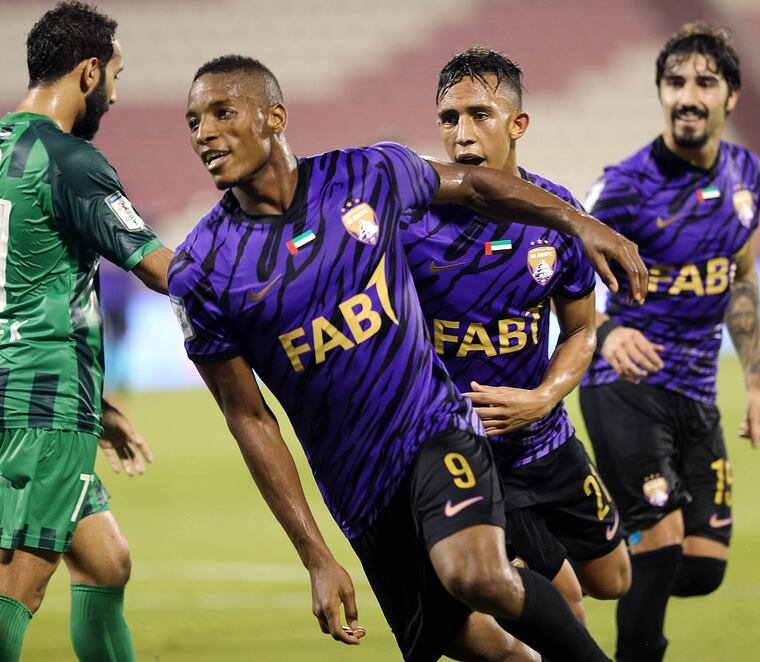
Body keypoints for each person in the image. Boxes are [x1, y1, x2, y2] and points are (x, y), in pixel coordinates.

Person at [169, 54, 645, 662]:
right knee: (484, 647)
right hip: (359, 490)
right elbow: (249, 417)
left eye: (221, 113)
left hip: (434, 430)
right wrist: (315, 554)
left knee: (479, 575)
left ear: (273, 117)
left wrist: (579, 225)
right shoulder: (200, 271)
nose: (203, 133)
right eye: (191, 122)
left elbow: (474, 186)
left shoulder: (368, 174)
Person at [400, 47, 631, 625]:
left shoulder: (555, 214)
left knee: (613, 579)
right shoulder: (409, 219)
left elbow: (581, 329)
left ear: (517, 124)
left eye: (480, 114)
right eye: (450, 119)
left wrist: (543, 398)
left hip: (545, 437)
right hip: (469, 453)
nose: (462, 132)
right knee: (562, 606)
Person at [578, 21, 760, 662]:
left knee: (701, 567)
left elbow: (741, 278)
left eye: (704, 81)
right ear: (660, 93)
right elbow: (554, 269)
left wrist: (755, 383)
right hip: (625, 387)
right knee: (662, 543)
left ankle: (576, 543)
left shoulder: (747, 175)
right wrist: (605, 332)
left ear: (732, 96)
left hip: (696, 393)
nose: (687, 95)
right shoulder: (627, 188)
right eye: (674, 82)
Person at [0, 3, 173, 660]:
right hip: (41, 409)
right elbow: (161, 270)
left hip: (28, 393)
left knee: (104, 561)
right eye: (115, 77)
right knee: (18, 583)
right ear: (89, 71)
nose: (116, 94)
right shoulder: (70, 158)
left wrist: (97, 407)